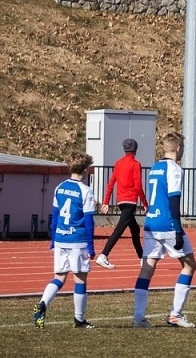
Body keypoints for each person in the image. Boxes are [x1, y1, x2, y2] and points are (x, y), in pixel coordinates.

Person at [130, 132, 196, 328]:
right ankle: (175, 314)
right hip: (167, 223)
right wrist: (177, 229)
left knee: (147, 269)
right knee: (189, 265)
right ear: (179, 149)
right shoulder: (175, 169)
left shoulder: (155, 167)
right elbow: (174, 200)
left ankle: (138, 317)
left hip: (151, 222)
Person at [34, 153, 97, 328]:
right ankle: (79, 319)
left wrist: (53, 239)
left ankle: (42, 304)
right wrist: (91, 247)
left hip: (61, 238)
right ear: (85, 170)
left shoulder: (59, 188)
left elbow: (54, 217)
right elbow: (89, 222)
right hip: (77, 240)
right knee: (80, 279)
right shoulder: (85, 191)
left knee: (59, 277)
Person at [96, 138, 146, 268]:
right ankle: (103, 255)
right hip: (130, 201)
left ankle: (142, 257)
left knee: (135, 229)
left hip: (121, 201)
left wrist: (106, 201)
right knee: (119, 229)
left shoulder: (118, 163)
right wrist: (145, 203)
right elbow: (138, 186)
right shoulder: (136, 164)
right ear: (135, 150)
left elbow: (111, 183)